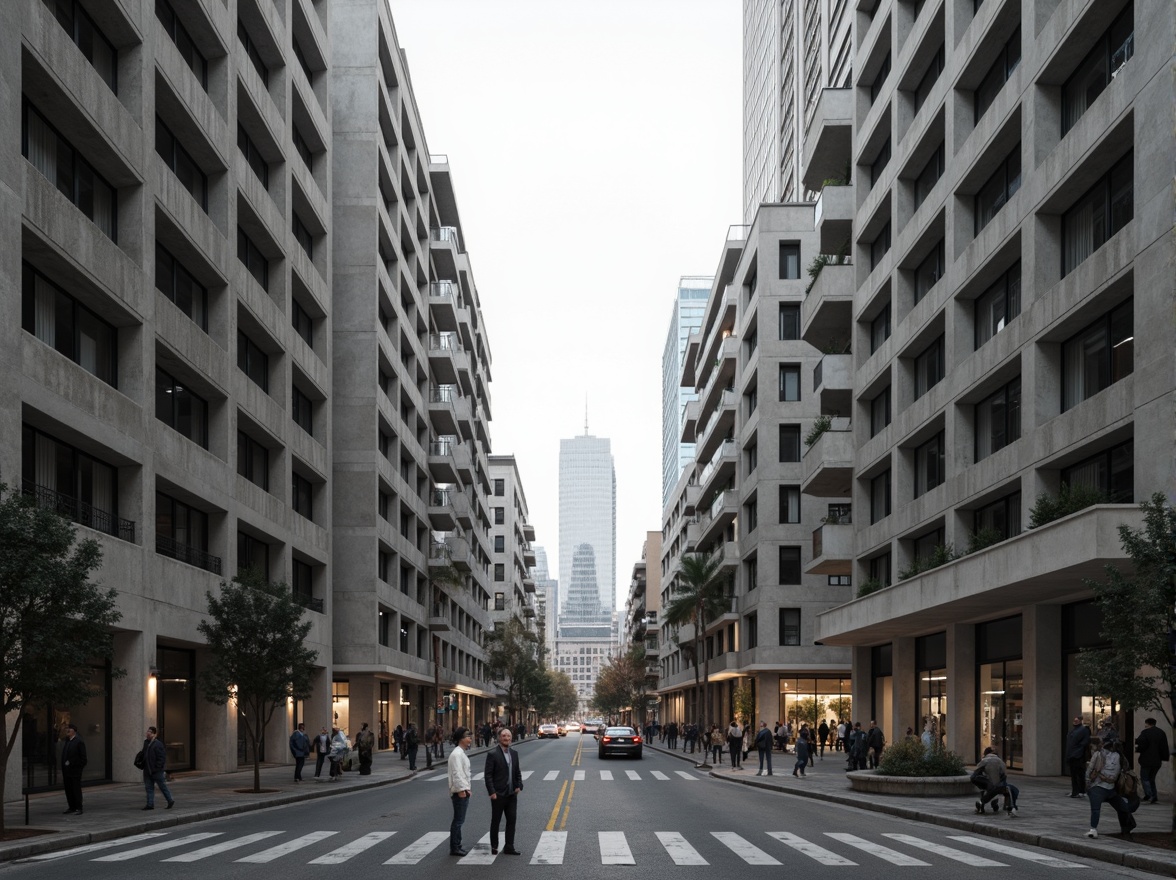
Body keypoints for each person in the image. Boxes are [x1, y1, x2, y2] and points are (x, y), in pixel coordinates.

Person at [484, 726, 523, 855]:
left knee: (512, 820)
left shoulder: (514, 753)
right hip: (498, 794)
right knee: (496, 820)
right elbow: (488, 775)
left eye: (508, 736)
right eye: (504, 736)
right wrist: (492, 792)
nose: (507, 738)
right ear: (499, 738)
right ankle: (494, 846)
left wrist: (519, 785)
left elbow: (517, 772)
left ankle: (509, 846)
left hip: (512, 794)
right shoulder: (493, 754)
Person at [1085, 736, 1134, 839]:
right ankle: (1093, 829)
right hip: (1098, 786)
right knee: (1096, 809)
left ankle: (1126, 829)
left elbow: (1126, 768)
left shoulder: (1120, 756)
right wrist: (1088, 783)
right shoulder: (1099, 755)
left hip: (1111, 788)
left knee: (1123, 808)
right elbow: (1090, 769)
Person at [448, 727, 473, 856]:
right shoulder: (457, 754)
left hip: (463, 790)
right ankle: (455, 846)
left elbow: (463, 773)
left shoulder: (460, 753)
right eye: (468, 736)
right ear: (461, 739)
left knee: (459, 820)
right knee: (458, 821)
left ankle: (457, 844)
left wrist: (467, 788)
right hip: (459, 792)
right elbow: (457, 774)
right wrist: (461, 790)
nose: (470, 739)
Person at [973, 746, 1018, 816]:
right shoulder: (1000, 761)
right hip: (999, 785)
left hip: (988, 784)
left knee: (986, 789)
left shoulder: (984, 761)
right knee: (1010, 789)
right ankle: (1009, 807)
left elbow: (977, 772)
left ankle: (982, 804)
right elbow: (1004, 774)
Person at [1135, 718, 1170, 805]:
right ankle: (1153, 796)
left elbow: (1140, 744)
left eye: (1145, 723)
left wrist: (1138, 748)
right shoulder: (1161, 732)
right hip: (1157, 761)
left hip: (1146, 760)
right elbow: (1164, 747)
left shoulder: (1145, 733)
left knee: (1145, 778)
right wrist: (1164, 758)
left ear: (1148, 723)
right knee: (1152, 779)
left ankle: (1149, 795)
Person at [141, 726, 175, 810]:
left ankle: (170, 800)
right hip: (147, 770)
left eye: (150, 732)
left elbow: (162, 757)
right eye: (147, 731)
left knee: (162, 786)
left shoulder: (158, 744)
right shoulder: (146, 743)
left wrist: (158, 767)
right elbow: (144, 754)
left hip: (156, 770)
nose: (148, 733)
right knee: (149, 788)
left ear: (154, 734)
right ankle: (150, 804)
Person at [60, 723, 87, 815]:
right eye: (67, 730)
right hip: (67, 771)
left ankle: (79, 807)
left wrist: (77, 768)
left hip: (75, 771)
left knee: (76, 789)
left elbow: (83, 759)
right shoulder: (68, 741)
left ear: (74, 731)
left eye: (69, 730)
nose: (67, 731)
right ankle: (71, 807)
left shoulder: (78, 742)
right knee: (68, 789)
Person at [1066, 716, 1090, 798]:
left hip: (1078, 756)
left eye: (1077, 720)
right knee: (1074, 774)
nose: (1075, 722)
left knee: (1079, 774)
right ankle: (1076, 791)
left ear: (1080, 721)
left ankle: (1080, 791)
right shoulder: (1073, 731)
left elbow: (1084, 742)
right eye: (1074, 720)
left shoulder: (1083, 730)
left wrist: (1077, 752)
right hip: (1072, 755)